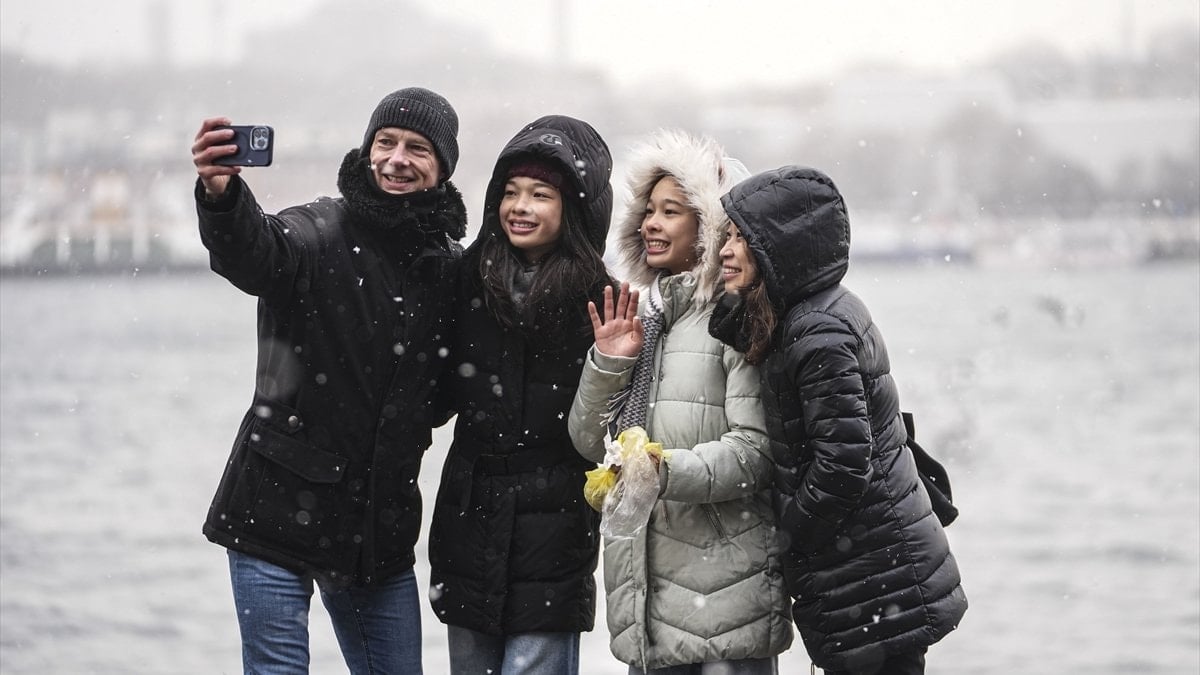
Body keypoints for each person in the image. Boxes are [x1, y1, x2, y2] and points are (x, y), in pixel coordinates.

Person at [190, 86, 467, 674]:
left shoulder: (449, 267)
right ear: (367, 150)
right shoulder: (317, 229)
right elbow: (254, 252)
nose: (396, 159)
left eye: (417, 148)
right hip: (271, 512)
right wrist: (222, 194)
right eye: (385, 142)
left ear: (443, 168)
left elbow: (445, 390)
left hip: (376, 530)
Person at [708, 165, 968, 675]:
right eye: (727, 236)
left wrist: (789, 537)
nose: (725, 251)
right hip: (874, 569)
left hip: (871, 576)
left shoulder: (817, 331)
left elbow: (843, 466)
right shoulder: (806, 314)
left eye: (741, 238)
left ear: (779, 247)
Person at [567, 129, 793, 674]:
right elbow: (590, 442)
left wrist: (661, 471)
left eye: (670, 211)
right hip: (649, 605)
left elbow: (755, 453)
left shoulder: (736, 320)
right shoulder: (646, 319)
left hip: (727, 603)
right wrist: (609, 362)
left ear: (709, 226)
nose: (651, 223)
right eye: (648, 211)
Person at [427, 115, 614, 674]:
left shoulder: (600, 299)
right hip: (469, 510)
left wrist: (615, 357)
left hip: (554, 522)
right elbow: (433, 395)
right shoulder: (467, 278)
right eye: (510, 192)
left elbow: (604, 426)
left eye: (540, 194)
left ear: (574, 208)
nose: (520, 207)